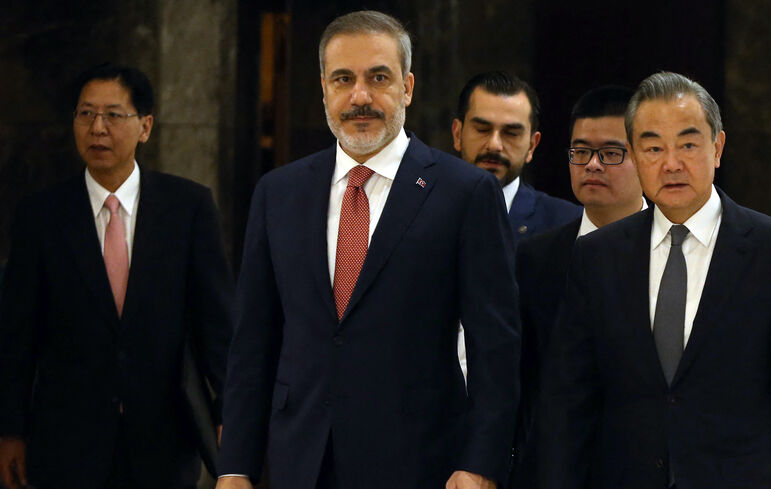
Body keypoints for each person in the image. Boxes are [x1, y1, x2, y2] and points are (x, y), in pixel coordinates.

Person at [216, 11, 519, 489]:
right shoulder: (278, 193)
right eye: (344, 79)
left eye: (378, 78)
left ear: (408, 88)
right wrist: (235, 465)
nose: (360, 97)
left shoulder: (465, 193)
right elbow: (253, 342)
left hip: (420, 461)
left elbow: (495, 347)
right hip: (301, 459)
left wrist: (481, 461)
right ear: (323, 90)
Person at [537, 71, 771, 489]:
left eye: (688, 144)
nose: (671, 163)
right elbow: (567, 403)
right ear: (636, 156)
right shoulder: (597, 255)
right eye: (653, 147)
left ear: (718, 148)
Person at [0, 63, 234, 489]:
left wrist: (231, 416)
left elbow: (217, 326)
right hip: (66, 444)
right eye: (85, 114)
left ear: (145, 127)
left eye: (112, 115)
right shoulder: (42, 216)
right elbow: (16, 334)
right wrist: (10, 430)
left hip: (163, 440)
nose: (97, 128)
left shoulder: (188, 208)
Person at [509, 85, 646, 488]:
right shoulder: (535, 258)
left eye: (611, 153)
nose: (593, 165)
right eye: (581, 151)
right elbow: (521, 379)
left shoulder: (675, 248)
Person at [452, 71, 580, 242]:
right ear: (458, 134)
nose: (494, 145)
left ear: (532, 146)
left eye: (511, 133)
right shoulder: (422, 210)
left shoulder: (568, 225)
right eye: (482, 129)